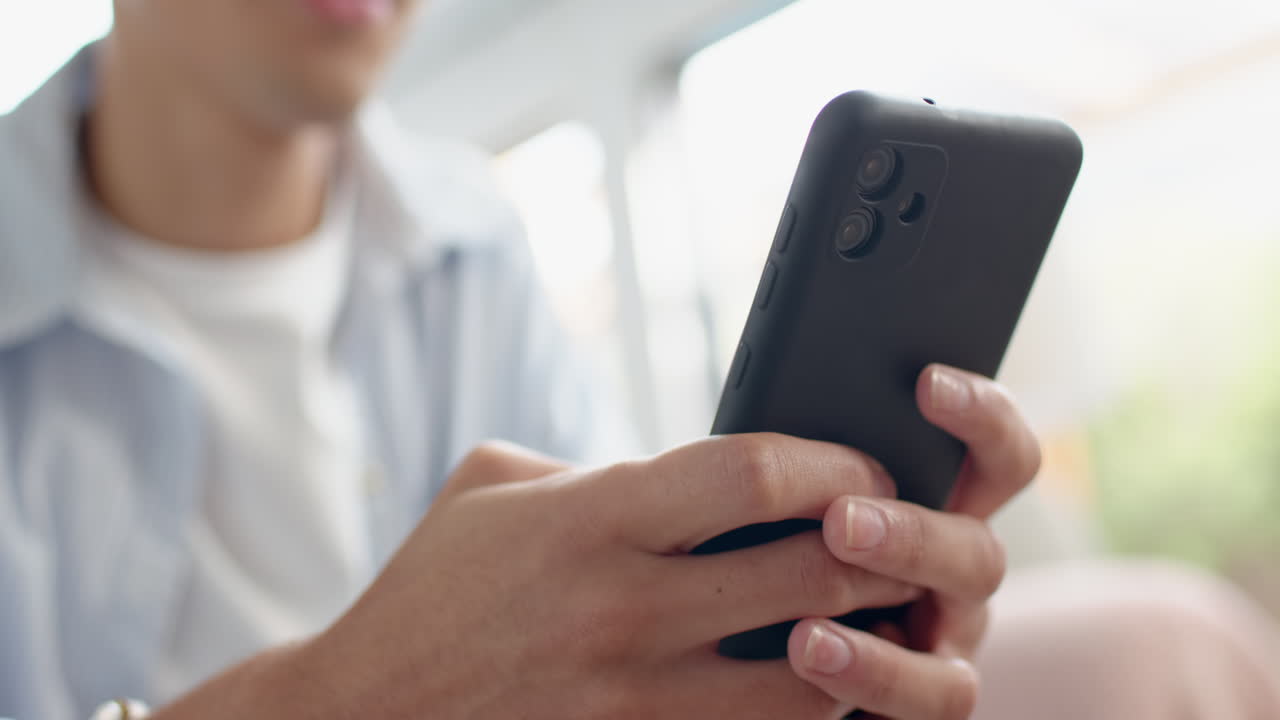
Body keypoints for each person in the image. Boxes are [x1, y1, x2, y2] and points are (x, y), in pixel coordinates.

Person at [0, 2, 1276, 719]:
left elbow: (615, 640)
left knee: (1159, 649)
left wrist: (809, 600)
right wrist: (340, 700)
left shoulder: (472, 244)